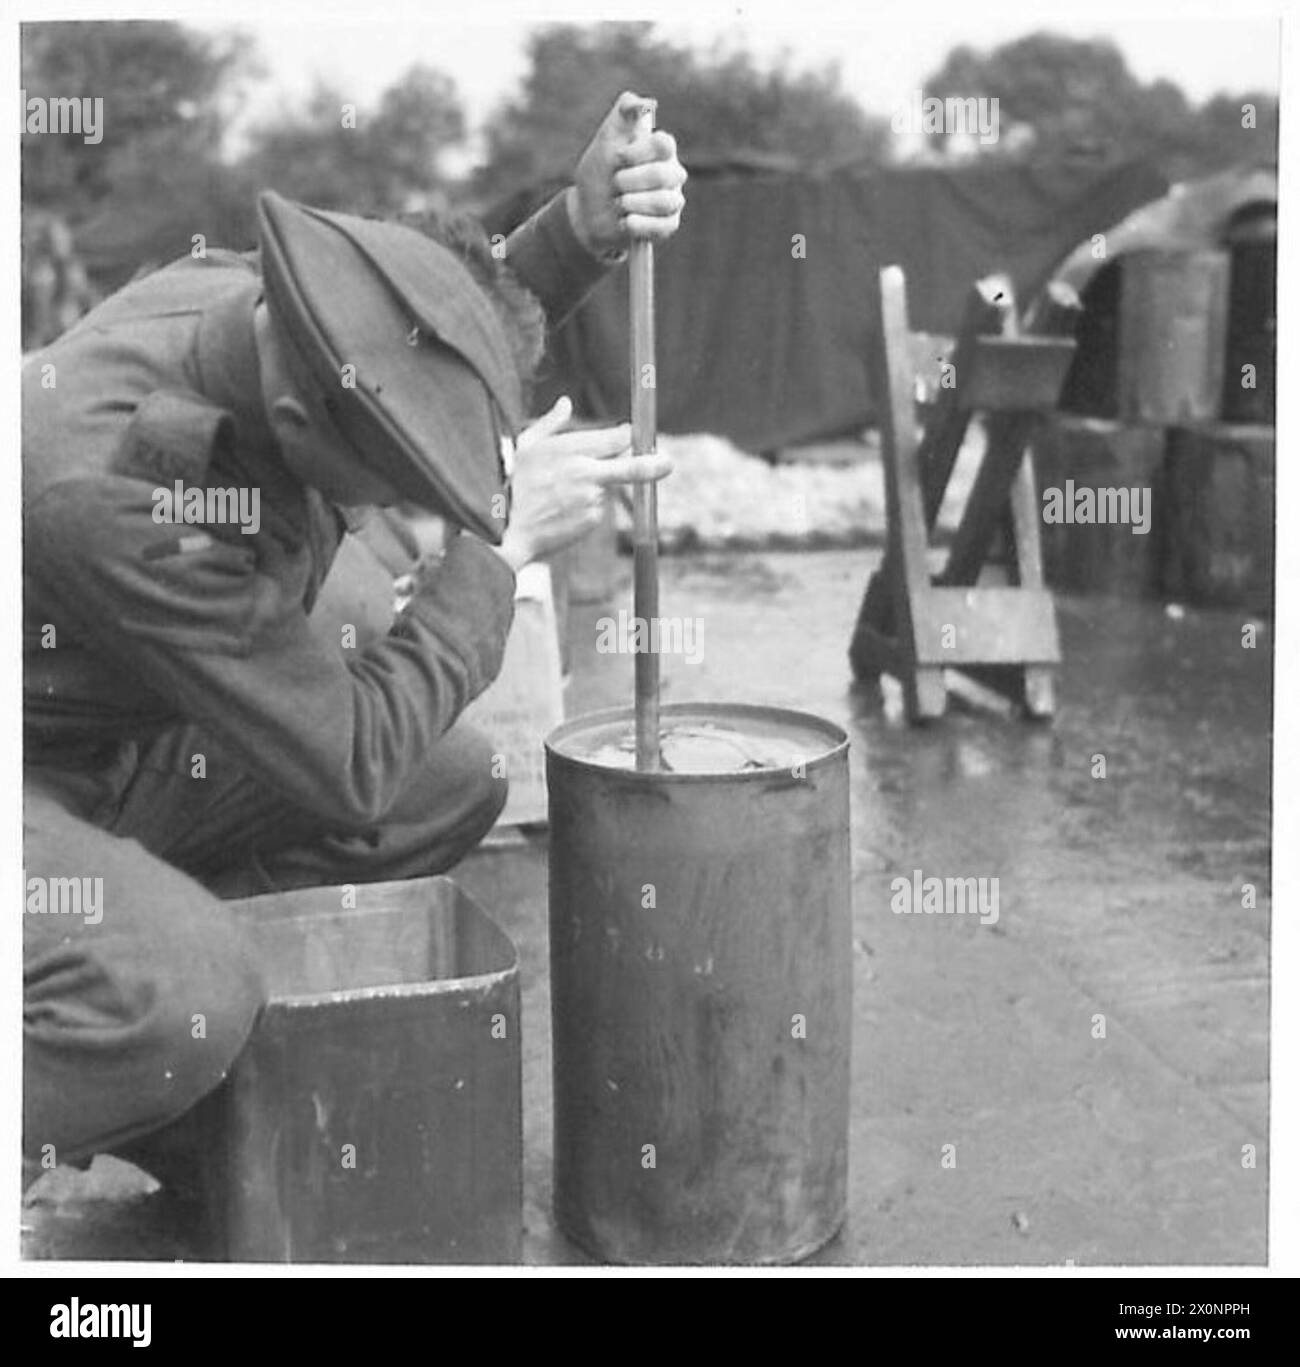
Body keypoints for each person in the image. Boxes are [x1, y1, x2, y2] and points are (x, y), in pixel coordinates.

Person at [22, 93, 685, 1182]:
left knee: (450, 771)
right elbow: (347, 763)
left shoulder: (284, 306)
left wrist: (575, 230)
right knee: (177, 986)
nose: (440, 487)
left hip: (88, 718)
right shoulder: (118, 493)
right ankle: (119, 1026)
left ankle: (170, 1066)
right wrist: (496, 554)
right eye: (417, 478)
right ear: (297, 439)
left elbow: (411, 331)